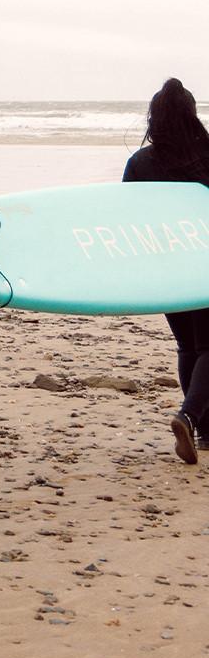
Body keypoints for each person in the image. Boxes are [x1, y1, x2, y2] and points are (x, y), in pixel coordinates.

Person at [123, 77, 209, 466]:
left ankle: (203, 428)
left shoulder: (140, 163)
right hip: (203, 265)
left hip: (166, 268)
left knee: (188, 345)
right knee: (208, 346)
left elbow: (127, 220)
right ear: (191, 115)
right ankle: (189, 417)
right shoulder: (207, 155)